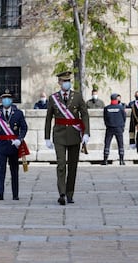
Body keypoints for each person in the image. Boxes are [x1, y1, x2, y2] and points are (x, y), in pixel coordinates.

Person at [44, 71, 90, 205]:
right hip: (59, 135)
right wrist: (47, 137)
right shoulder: (53, 98)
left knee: (73, 166)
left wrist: (86, 133)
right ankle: (62, 193)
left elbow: (84, 115)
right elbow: (48, 118)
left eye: (68, 81)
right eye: (64, 81)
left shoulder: (77, 96)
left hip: (75, 135)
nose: (66, 83)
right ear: (59, 83)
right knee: (61, 164)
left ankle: (70, 193)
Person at [0, 90, 28, 200]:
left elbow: (24, 128)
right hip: (1, 144)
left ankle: (15, 194)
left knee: (14, 170)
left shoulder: (18, 113)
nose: (6, 100)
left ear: (11, 100)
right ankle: (0, 193)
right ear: (1, 100)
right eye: (4, 98)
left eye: (8, 98)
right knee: (0, 169)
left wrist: (20, 139)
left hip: (14, 145)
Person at [102, 93, 126, 165]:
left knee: (107, 143)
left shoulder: (107, 108)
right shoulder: (121, 108)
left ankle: (105, 160)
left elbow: (105, 118)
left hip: (109, 127)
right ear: (116, 99)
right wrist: (122, 126)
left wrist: (107, 125)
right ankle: (121, 161)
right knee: (120, 144)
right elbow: (124, 117)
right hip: (118, 127)